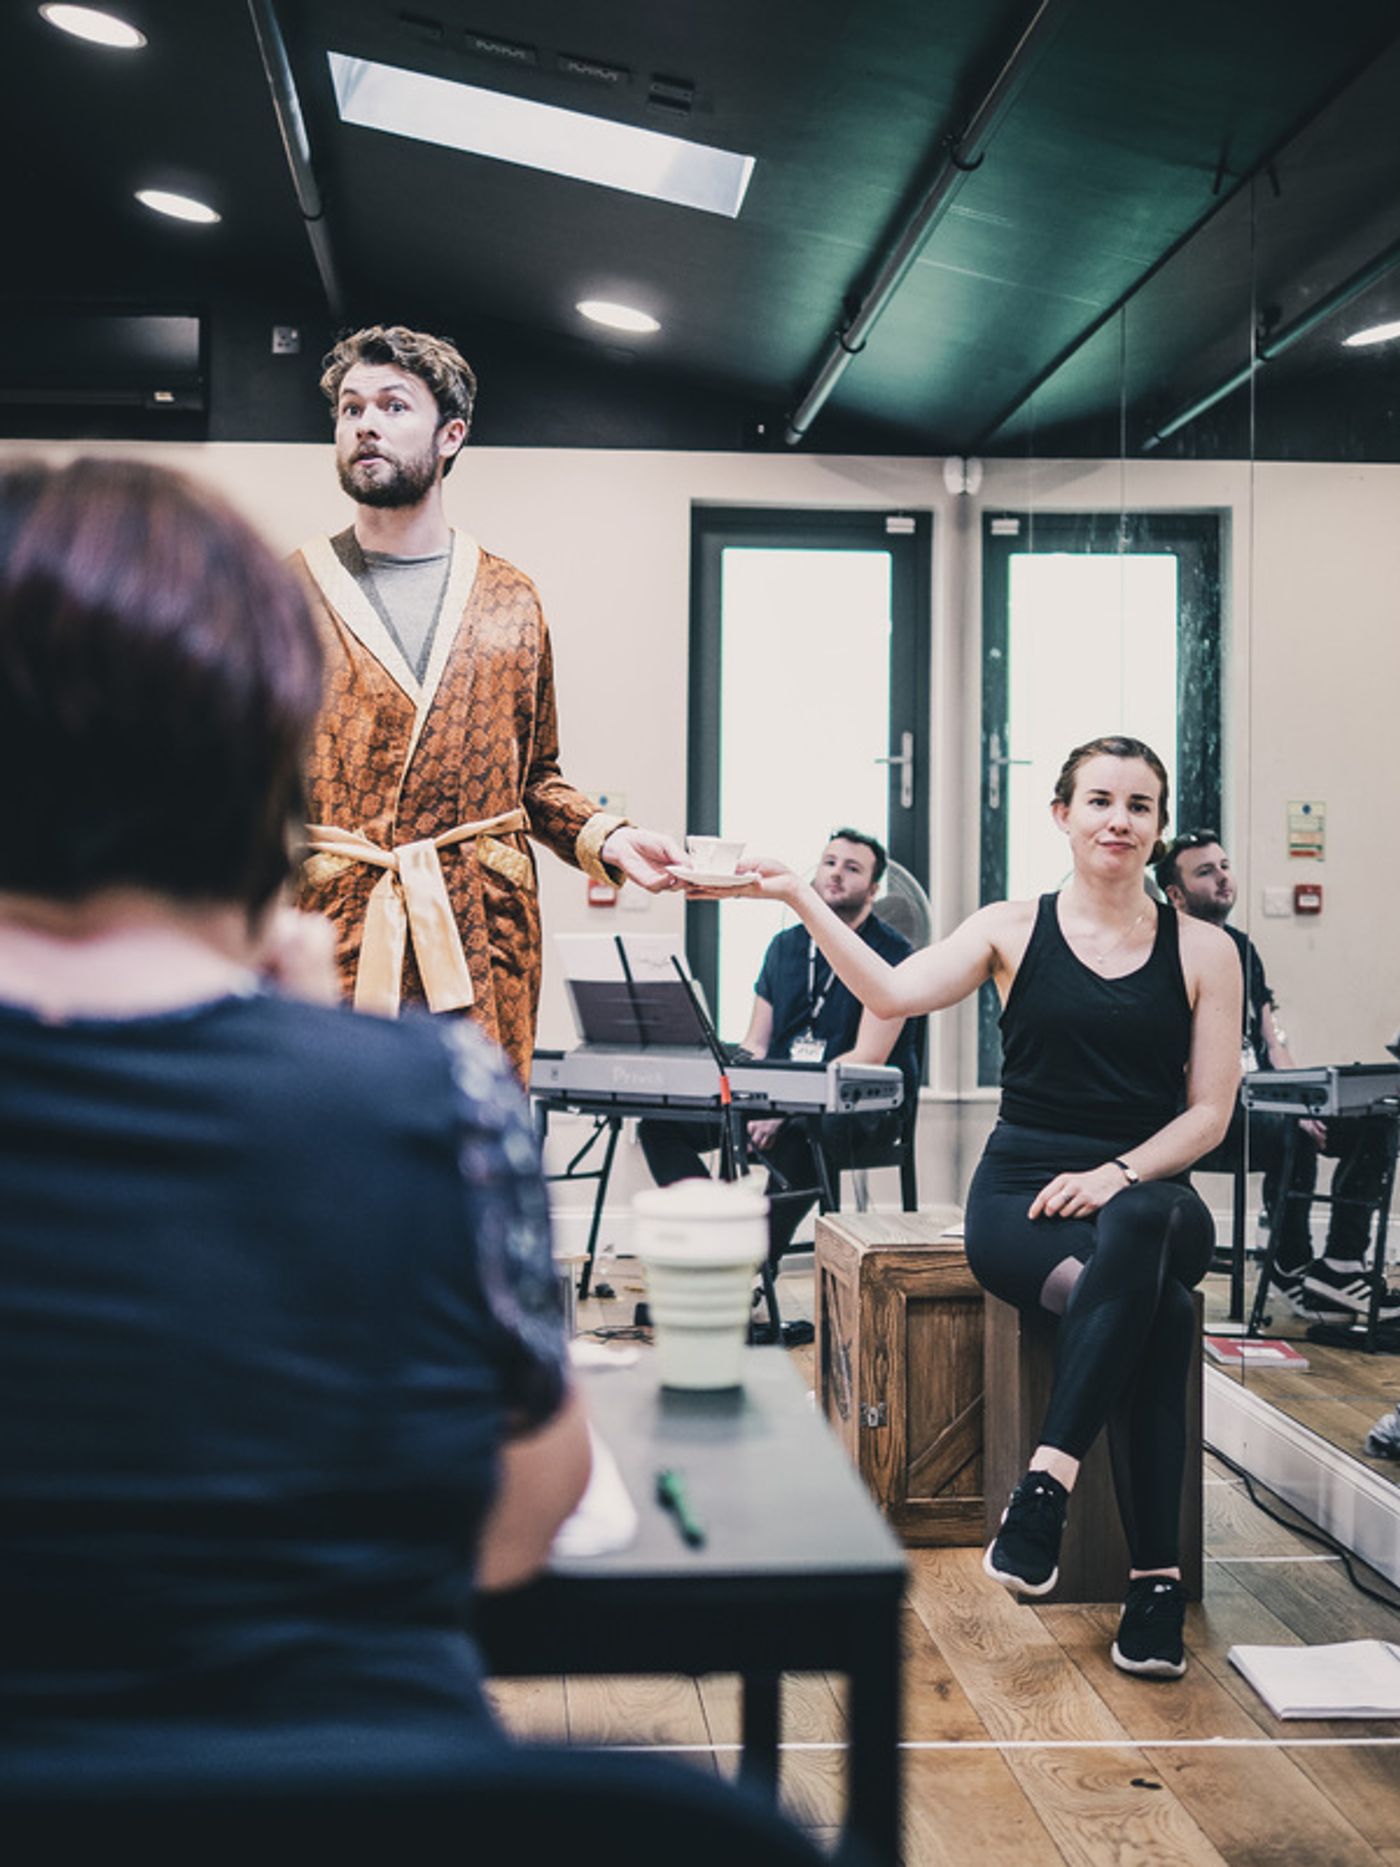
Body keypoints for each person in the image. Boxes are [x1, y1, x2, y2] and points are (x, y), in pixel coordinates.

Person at [0, 457, 591, 1784]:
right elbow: (519, 1513)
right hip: (340, 1781)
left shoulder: (512, 600)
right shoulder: (430, 1102)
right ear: (264, 736)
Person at [698, 737, 1239, 1679]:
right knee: (1168, 1310)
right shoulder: (1008, 929)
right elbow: (892, 990)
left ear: (1155, 829)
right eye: (1100, 800)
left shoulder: (1205, 948)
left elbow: (1208, 1112)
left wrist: (1117, 1172)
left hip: (1151, 1186)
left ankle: (1045, 1487)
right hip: (1023, 1201)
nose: (1119, 819)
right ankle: (1154, 1587)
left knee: (1147, 1222)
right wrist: (795, 892)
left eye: (1140, 806)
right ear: (1062, 814)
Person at [292, 324, 682, 1076]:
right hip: (332, 927)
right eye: (350, 408)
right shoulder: (287, 592)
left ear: (451, 435)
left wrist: (608, 837)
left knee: (472, 1156)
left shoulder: (509, 598)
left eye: (394, 405)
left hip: (478, 925)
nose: (365, 423)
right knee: (328, 1152)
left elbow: (533, 775)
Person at [639, 830, 917, 1267]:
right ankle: (713, 1229)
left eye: (852, 867)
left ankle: (746, 1267)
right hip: (778, 1098)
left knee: (804, 1136)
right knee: (659, 1127)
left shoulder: (894, 952)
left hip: (856, 1109)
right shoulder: (785, 947)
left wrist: (783, 1109)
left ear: (874, 889)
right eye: (829, 862)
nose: (836, 874)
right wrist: (754, 1098)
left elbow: (869, 1057)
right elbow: (756, 1043)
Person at [1159, 830, 1399, 1323]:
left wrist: (1303, 1096)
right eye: (1206, 871)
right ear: (1176, 894)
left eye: (1224, 866)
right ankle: (1290, 1268)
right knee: (1292, 1130)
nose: (1223, 877)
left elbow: (1272, 1041)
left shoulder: (1243, 948)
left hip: (1262, 1098)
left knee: (1379, 1117)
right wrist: (1289, 1111)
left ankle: (1338, 1265)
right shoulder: (1166, 951)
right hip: (1203, 1111)